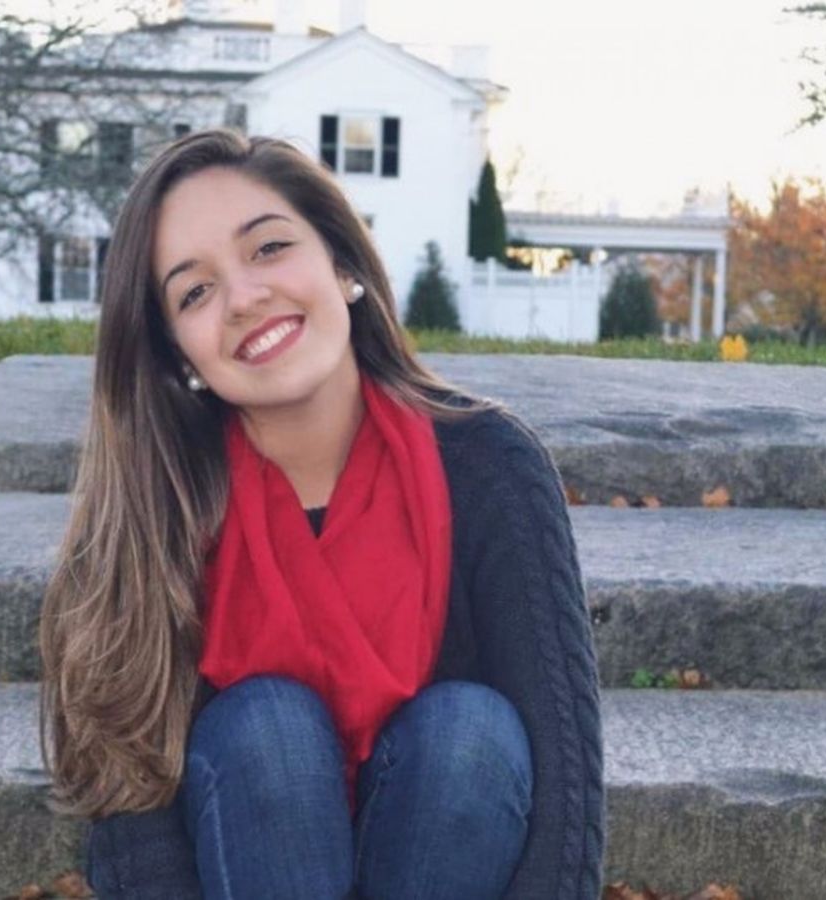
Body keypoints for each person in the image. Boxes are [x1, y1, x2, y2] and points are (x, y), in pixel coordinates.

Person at [38, 128, 605, 900]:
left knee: (471, 733)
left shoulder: (489, 466)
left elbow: (566, 790)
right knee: (269, 728)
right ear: (176, 354)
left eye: (269, 248)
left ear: (343, 264)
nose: (244, 298)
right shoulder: (151, 503)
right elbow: (129, 799)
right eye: (195, 292)